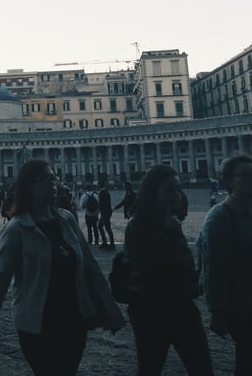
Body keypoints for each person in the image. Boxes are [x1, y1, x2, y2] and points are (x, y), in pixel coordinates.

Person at [0, 159, 125, 376]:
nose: (52, 182)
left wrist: (110, 311)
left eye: (53, 177)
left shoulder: (67, 219)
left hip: (73, 320)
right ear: (28, 186)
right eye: (44, 178)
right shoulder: (16, 228)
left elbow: (90, 267)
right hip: (36, 324)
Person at [123, 164, 214, 376]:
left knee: (201, 368)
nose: (176, 195)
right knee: (150, 369)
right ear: (153, 192)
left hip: (182, 308)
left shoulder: (173, 223)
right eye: (169, 189)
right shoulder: (138, 226)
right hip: (151, 312)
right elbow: (149, 269)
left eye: (178, 189)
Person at [198, 153, 252, 376]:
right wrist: (217, 311)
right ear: (228, 181)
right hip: (239, 305)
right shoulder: (219, 215)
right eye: (246, 174)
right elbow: (212, 266)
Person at [97, 179, 115, 250]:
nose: (97, 185)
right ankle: (105, 242)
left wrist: (97, 212)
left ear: (100, 184)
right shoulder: (105, 191)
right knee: (100, 226)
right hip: (106, 212)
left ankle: (112, 244)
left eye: (98, 184)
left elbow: (101, 203)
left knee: (107, 228)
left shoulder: (102, 192)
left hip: (105, 213)